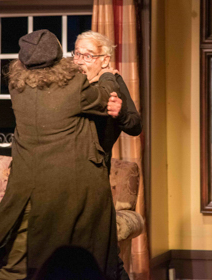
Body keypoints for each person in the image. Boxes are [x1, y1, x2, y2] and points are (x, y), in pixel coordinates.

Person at [0, 29, 121, 280]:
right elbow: (104, 98)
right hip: (63, 185)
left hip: (27, 182)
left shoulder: (17, 86)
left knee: (19, 261)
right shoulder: (73, 85)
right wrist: (107, 76)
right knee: (52, 259)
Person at [73, 30, 143, 280]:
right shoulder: (71, 83)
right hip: (67, 176)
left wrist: (119, 112)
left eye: (88, 55)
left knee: (106, 253)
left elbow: (135, 125)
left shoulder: (113, 82)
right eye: (77, 53)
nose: (80, 60)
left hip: (95, 177)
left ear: (104, 59)